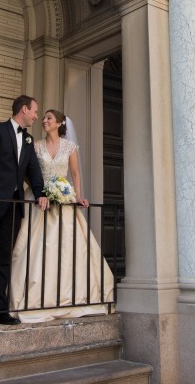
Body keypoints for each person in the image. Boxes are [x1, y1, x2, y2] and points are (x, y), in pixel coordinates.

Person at [9, 109, 116, 323]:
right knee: (33, 246)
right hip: (39, 200)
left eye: (49, 118)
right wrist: (40, 191)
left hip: (64, 198)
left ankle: (71, 296)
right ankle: (34, 298)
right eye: (43, 117)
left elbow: (75, 174)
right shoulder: (35, 145)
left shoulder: (69, 147)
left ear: (59, 123)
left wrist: (78, 196)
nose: (44, 120)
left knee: (67, 249)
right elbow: (28, 173)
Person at [0, 94, 47, 325]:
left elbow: (33, 170)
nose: (36, 116)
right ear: (24, 109)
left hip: (14, 205)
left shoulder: (28, 139)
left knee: (3, 257)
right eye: (35, 111)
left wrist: (41, 193)